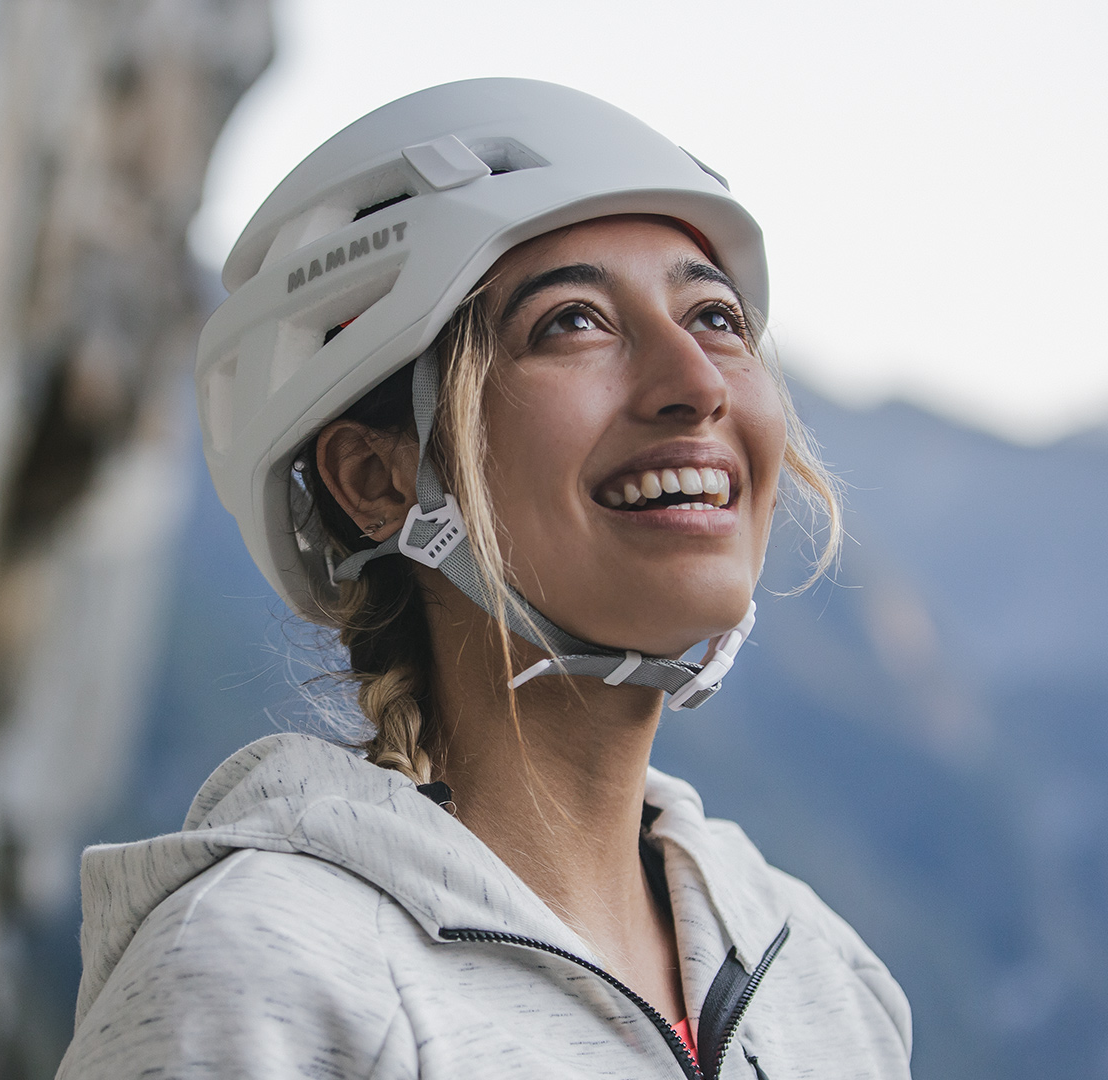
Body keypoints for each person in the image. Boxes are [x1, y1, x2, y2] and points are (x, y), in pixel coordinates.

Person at [55, 80, 912, 1079]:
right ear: (377, 480)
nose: (698, 380)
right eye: (573, 323)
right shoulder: (266, 979)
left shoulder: (826, 978)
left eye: (716, 316)